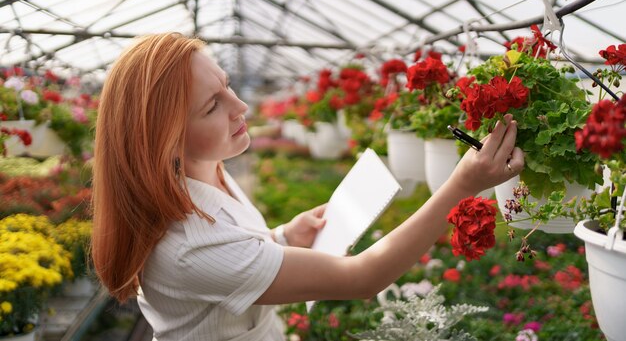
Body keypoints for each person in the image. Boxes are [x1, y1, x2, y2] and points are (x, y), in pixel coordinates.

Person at [91, 33, 524, 341]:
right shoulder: (188, 243)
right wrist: (463, 183)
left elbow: (232, 247)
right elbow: (363, 277)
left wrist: (281, 237)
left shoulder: (206, 171)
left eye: (226, 85)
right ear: (166, 137)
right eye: (212, 106)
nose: (240, 106)